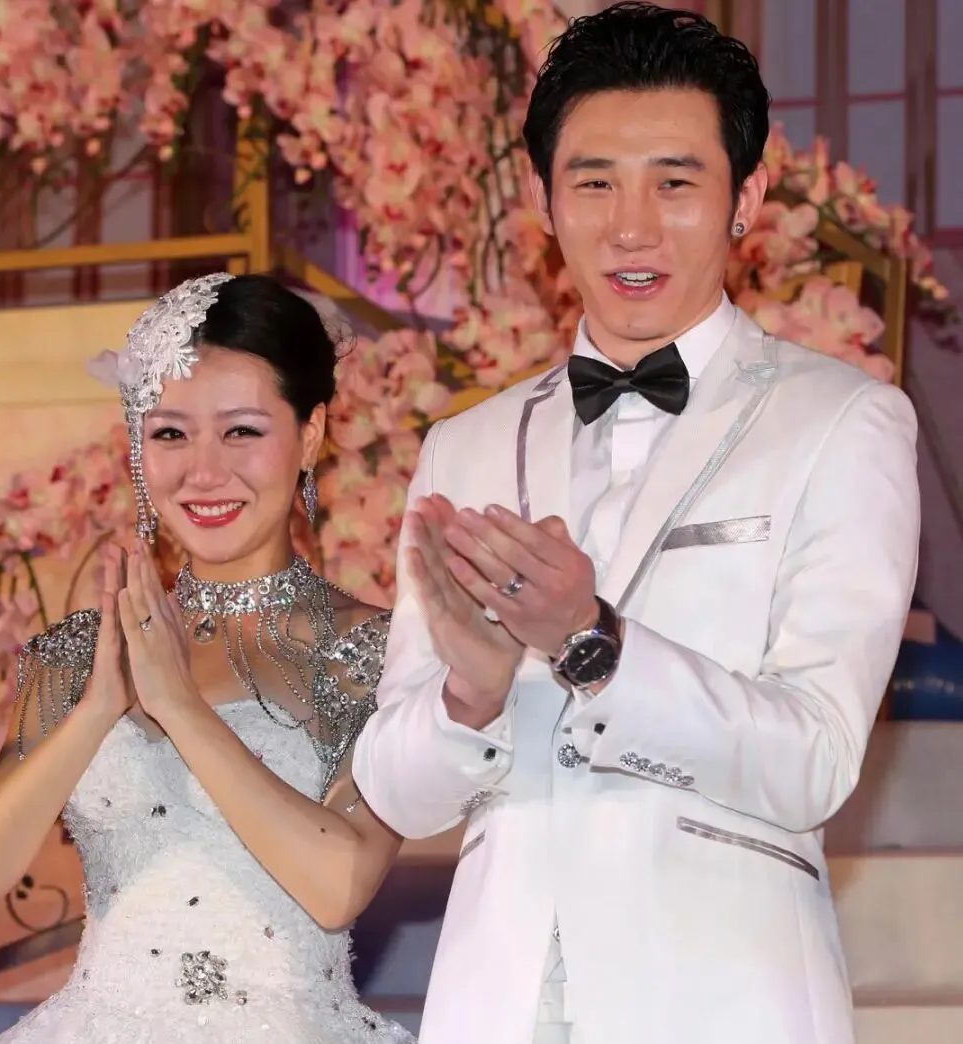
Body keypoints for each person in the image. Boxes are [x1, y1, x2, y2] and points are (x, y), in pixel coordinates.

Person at [352, 5, 920, 1043]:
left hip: (724, 1000)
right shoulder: (465, 447)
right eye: (594, 183)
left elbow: (818, 761)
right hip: (500, 1005)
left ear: (746, 198)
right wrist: (471, 696)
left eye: (675, 182)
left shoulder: (845, 422)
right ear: (543, 201)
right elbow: (394, 788)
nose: (631, 227)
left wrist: (594, 642)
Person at [0, 273, 413, 1043]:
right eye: (170, 434)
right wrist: (99, 707)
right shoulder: (80, 652)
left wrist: (181, 707)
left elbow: (339, 886)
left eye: (241, 431)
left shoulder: (372, 650)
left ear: (310, 435)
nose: (203, 472)